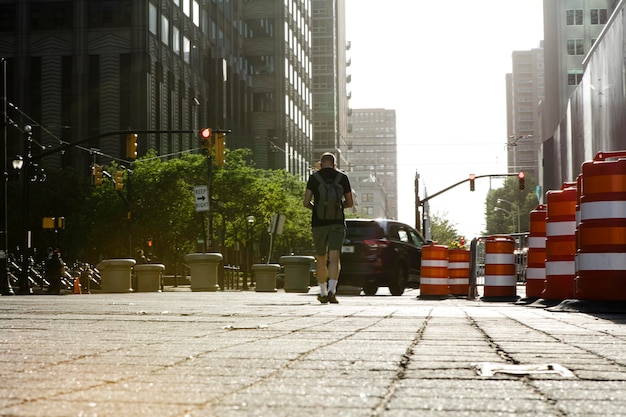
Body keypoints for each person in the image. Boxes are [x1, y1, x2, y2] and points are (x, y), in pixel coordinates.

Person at [303, 152, 353, 304]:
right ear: (334, 163)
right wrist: (338, 208)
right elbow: (350, 203)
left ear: (321, 163)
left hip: (318, 223)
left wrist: (317, 209)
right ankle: (332, 291)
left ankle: (323, 292)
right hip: (337, 222)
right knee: (334, 257)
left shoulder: (314, 178)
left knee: (321, 257)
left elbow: (305, 202)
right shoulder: (342, 178)